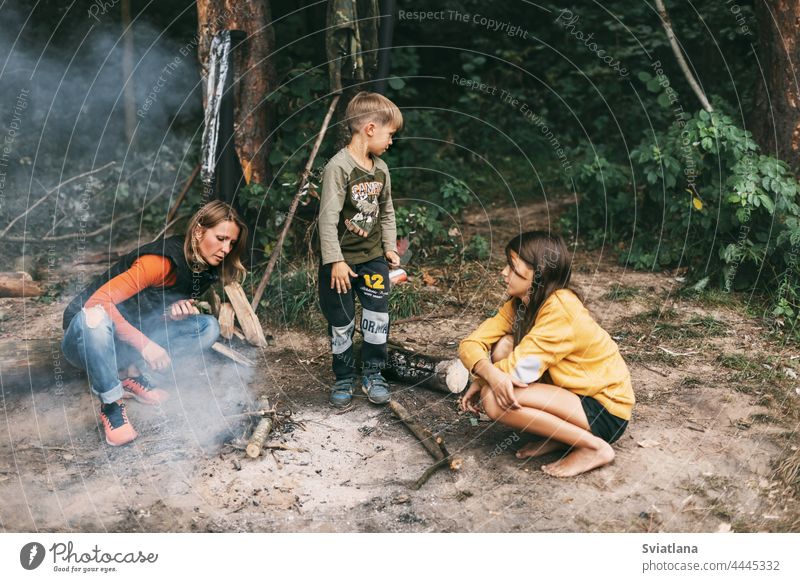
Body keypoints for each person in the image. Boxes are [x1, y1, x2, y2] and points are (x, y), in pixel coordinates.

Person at [61, 201, 248, 446]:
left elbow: (141, 308)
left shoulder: (201, 267)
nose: (226, 248)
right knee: (95, 319)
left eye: (231, 243)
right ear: (199, 231)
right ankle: (112, 405)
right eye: (221, 238)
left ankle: (130, 373)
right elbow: (97, 304)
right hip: (86, 338)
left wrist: (169, 314)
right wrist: (146, 345)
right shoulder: (159, 261)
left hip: (122, 341)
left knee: (206, 327)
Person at [459, 231, 635, 477]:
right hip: (573, 395)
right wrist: (485, 373)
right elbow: (470, 343)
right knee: (504, 346)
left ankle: (594, 447)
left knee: (493, 400)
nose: (503, 272)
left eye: (512, 266)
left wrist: (484, 380)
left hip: (604, 410)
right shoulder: (521, 303)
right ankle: (562, 438)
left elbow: (521, 370)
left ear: (538, 273)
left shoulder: (561, 308)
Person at [317, 91, 403, 407]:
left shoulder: (380, 169)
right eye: (389, 134)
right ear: (369, 128)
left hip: (373, 260)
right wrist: (335, 261)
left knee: (376, 319)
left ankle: (373, 373)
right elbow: (327, 219)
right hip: (341, 263)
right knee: (341, 321)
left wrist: (389, 247)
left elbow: (388, 209)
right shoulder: (338, 168)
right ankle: (343, 377)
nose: (391, 141)